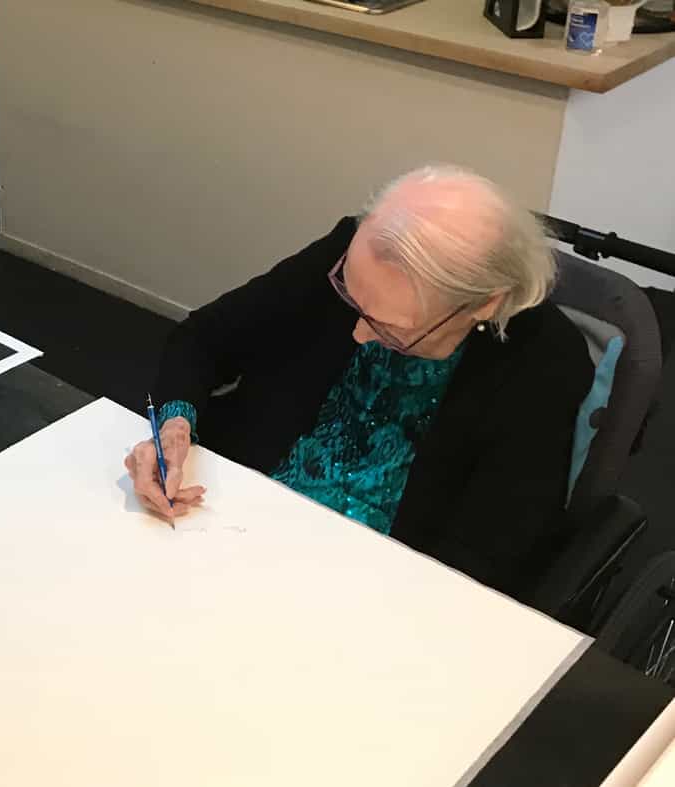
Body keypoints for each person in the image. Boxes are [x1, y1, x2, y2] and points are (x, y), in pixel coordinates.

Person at [124, 164, 593, 599]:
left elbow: (487, 557)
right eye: (350, 298)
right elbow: (203, 340)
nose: (358, 334)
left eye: (389, 328)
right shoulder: (356, 253)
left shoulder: (544, 362)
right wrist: (174, 427)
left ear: (485, 305)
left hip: (370, 583)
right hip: (229, 511)